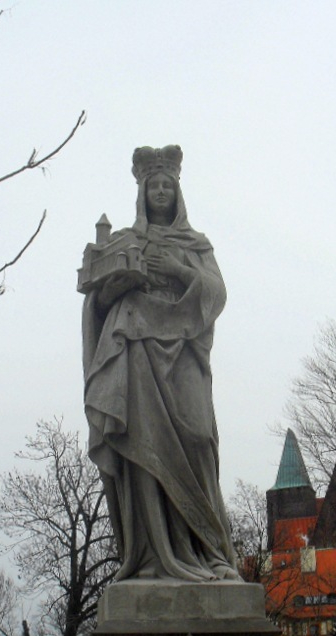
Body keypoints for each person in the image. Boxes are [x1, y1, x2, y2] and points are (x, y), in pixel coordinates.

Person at [82, 145, 239, 582]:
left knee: (199, 438)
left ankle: (211, 551)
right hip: (138, 346)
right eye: (155, 185)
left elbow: (217, 293)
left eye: (168, 185)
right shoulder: (126, 241)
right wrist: (113, 288)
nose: (162, 192)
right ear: (143, 193)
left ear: (178, 192)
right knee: (143, 448)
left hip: (185, 346)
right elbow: (97, 302)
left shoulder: (196, 244)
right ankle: (153, 556)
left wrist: (177, 268)